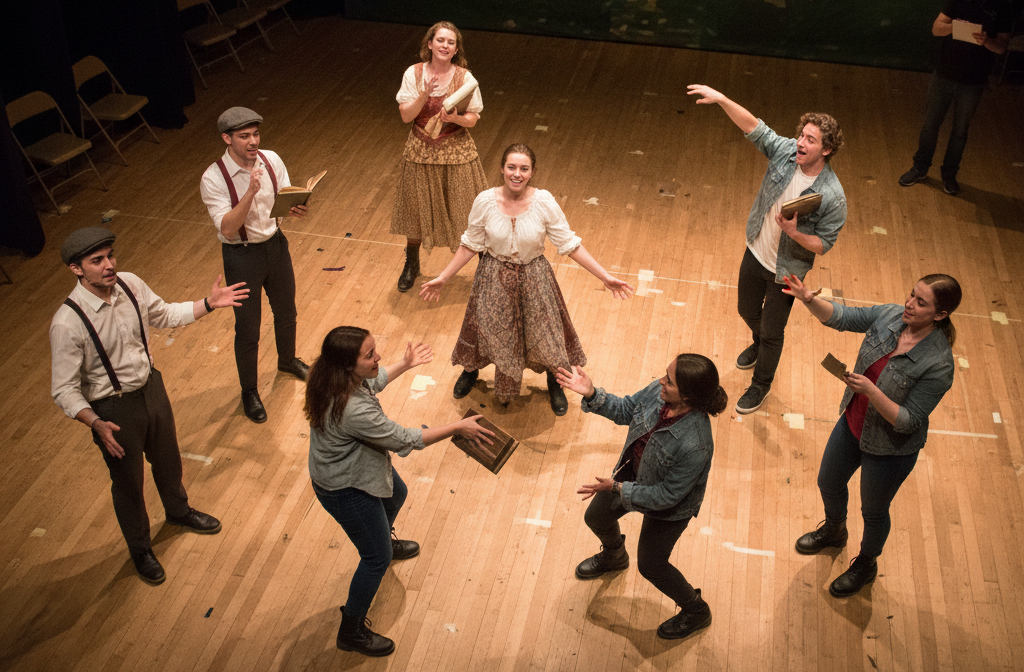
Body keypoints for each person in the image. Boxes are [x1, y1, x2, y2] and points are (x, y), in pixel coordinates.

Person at [49, 227, 249, 585]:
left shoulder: (129, 284)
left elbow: (164, 314)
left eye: (110, 256)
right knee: (129, 484)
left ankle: (178, 511)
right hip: (113, 410)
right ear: (76, 269)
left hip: (151, 388)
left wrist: (208, 303)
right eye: (98, 261)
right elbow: (63, 389)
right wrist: (95, 422)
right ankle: (140, 549)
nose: (109, 265)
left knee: (169, 460)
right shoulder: (68, 323)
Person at [305, 326, 494, 656]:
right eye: (370, 355)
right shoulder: (352, 409)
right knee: (376, 559)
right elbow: (405, 439)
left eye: (374, 350)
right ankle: (351, 630)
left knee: (397, 493)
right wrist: (458, 427)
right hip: (342, 486)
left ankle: (381, 537)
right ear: (347, 366)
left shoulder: (334, 376)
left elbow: (374, 381)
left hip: (358, 466)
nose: (378, 357)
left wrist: (405, 363)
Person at [419, 143, 634, 415]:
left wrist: (605, 277)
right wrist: (443, 278)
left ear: (532, 172)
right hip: (493, 277)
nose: (517, 174)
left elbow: (569, 244)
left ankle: (555, 382)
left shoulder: (543, 202)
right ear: (502, 169)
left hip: (534, 277)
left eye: (524, 168)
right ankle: (471, 371)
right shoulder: (485, 201)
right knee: (487, 331)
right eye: (511, 167)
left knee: (547, 337)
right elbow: (470, 244)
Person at [784, 273, 961, 598]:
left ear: (940, 315)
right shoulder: (891, 315)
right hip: (854, 424)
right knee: (828, 482)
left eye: (921, 302)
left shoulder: (938, 364)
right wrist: (808, 299)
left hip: (890, 449)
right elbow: (843, 317)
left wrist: (871, 390)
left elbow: (907, 421)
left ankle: (866, 563)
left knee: (874, 512)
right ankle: (835, 531)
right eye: (911, 295)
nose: (909, 304)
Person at [687, 84, 847, 415]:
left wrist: (794, 232)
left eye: (811, 140)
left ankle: (760, 385)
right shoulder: (786, 151)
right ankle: (758, 344)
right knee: (747, 310)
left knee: (774, 331)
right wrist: (722, 100)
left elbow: (824, 244)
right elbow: (753, 127)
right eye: (802, 135)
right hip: (756, 250)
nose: (801, 143)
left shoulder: (832, 196)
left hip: (787, 270)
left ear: (827, 150)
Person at [555, 354, 728, 640]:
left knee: (651, 565)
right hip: (632, 474)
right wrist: (592, 394)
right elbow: (626, 410)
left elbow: (667, 495)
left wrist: (619, 489)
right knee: (596, 517)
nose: (661, 381)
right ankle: (614, 556)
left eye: (669, 381)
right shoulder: (657, 395)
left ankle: (696, 611)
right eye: (665, 374)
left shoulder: (696, 443)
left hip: (670, 508)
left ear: (688, 396)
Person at [200, 106, 311, 424]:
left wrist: (295, 209)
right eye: (244, 136)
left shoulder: (271, 159)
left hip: (275, 246)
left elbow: (283, 199)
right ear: (227, 138)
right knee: (247, 329)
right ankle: (249, 391)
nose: (253, 141)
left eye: (256, 134)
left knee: (287, 311)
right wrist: (249, 190)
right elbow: (228, 228)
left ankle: (287, 360)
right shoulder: (213, 178)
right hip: (241, 256)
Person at [391, 21, 489, 292]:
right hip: (421, 151)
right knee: (416, 209)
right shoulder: (413, 73)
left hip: (456, 152)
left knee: (469, 209)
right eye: (441, 41)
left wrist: (456, 117)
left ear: (456, 49)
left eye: (451, 42)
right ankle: (412, 264)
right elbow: (406, 116)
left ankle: (485, 266)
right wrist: (423, 94)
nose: (445, 46)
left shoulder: (465, 78)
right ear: (430, 44)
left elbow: (473, 119)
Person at [898, 1, 1012, 196]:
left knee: (960, 131)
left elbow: (1001, 46)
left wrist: (986, 41)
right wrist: (957, 27)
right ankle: (920, 168)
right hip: (944, 74)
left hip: (973, 81)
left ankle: (949, 175)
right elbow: (936, 28)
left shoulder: (1003, 8)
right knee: (930, 125)